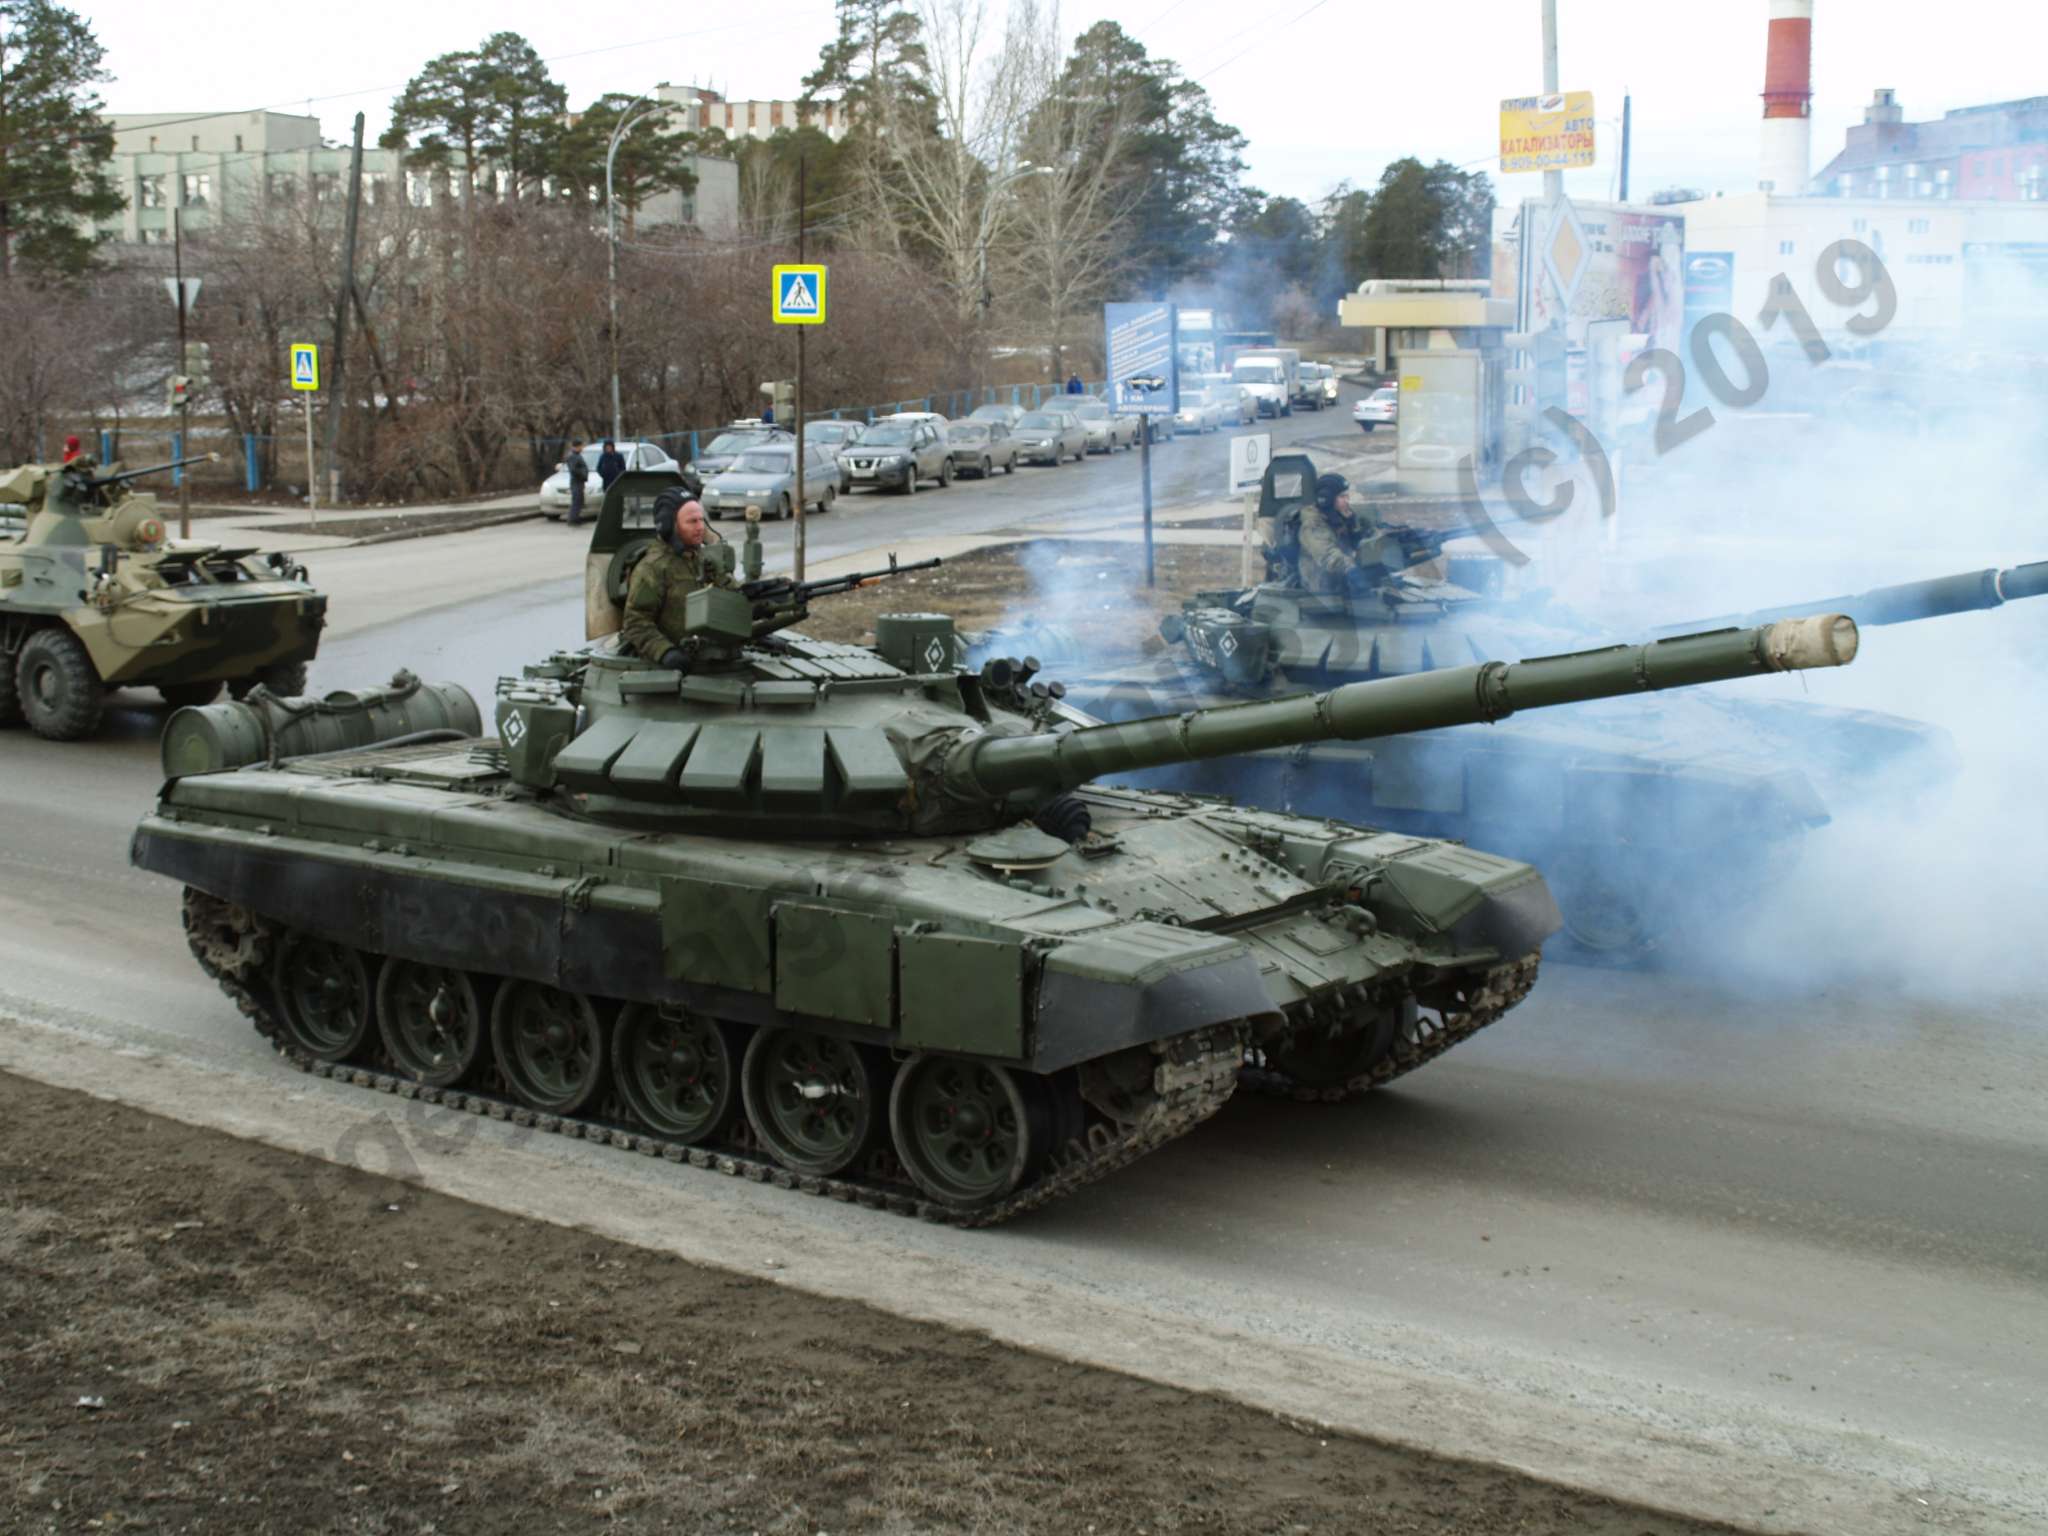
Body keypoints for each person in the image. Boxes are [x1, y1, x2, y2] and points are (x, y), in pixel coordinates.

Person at [619, 491, 736, 670]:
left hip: (713, 660)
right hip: (675, 667)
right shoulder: (653, 568)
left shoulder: (704, 559)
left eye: (701, 520)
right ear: (669, 526)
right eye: (692, 521)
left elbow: (734, 596)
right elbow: (635, 622)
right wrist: (665, 651)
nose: (700, 527)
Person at [1297, 472, 1409, 598]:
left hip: (1345, 578)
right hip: (1323, 587)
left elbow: (1369, 534)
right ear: (1326, 499)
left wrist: (1396, 537)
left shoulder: (1343, 515)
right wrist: (1352, 570)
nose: (1347, 500)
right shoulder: (1313, 524)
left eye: (1347, 496)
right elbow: (1328, 556)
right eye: (1342, 496)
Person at [565, 439, 590, 526]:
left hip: (579, 481)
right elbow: (574, 469)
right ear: (577, 447)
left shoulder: (577, 455)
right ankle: (573, 519)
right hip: (576, 481)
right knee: (576, 500)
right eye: (580, 446)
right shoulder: (573, 456)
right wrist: (583, 474)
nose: (582, 448)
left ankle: (576, 517)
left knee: (579, 500)